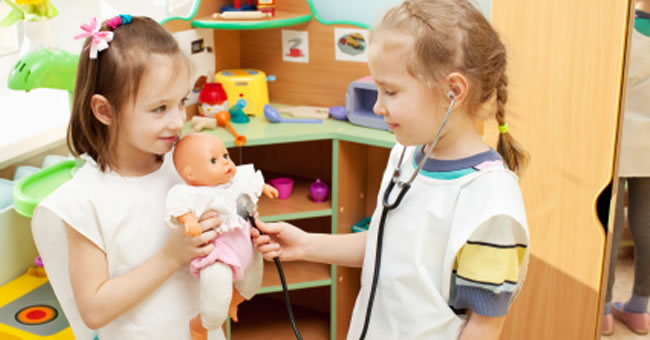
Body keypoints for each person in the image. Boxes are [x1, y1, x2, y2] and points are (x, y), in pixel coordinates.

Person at [252, 1, 529, 339]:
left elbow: (485, 325)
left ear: (452, 91)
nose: (378, 106)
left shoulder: (489, 202)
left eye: (390, 91)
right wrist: (307, 245)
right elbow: (391, 246)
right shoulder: (405, 155)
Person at [30, 16, 223, 340]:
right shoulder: (84, 200)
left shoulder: (183, 168)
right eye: (160, 108)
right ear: (105, 111)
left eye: (181, 102)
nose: (178, 121)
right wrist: (171, 256)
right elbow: (93, 310)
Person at [166, 133, 278, 334]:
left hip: (246, 245)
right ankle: (200, 326)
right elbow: (180, 207)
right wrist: (189, 220)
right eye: (213, 160)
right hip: (220, 254)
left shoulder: (236, 181)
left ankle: (232, 303)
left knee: (251, 287)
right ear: (190, 174)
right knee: (215, 300)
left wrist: (264, 187)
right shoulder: (195, 194)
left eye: (226, 155)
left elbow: (251, 182)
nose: (226, 162)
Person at [601, 0, 650, 335]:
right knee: (647, 222)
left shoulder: (624, 31)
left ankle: (602, 309)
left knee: (610, 220)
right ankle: (639, 308)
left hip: (618, 137)